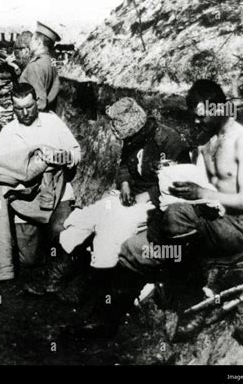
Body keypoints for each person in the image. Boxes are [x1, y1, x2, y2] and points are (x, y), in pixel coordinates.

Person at [69, 80, 243, 339]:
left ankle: (192, 299)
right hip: (200, 220)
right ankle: (105, 321)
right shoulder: (205, 141)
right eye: (194, 118)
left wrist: (201, 193)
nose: (196, 123)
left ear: (218, 108)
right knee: (131, 248)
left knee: (175, 216)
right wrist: (170, 172)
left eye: (201, 117)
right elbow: (196, 180)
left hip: (234, 227)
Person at [27, 97, 189, 299]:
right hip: (129, 198)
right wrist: (125, 184)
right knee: (84, 218)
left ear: (138, 128)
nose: (126, 142)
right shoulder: (134, 137)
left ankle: (94, 288)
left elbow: (179, 183)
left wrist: (147, 196)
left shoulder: (170, 142)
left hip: (156, 204)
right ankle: (55, 277)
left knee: (111, 230)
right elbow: (124, 166)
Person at [0, 83, 81, 282]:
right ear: (13, 108)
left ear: (37, 102)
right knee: (30, 259)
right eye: (19, 109)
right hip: (27, 200)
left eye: (29, 107)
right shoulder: (9, 131)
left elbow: (75, 152)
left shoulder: (52, 122)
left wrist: (59, 157)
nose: (25, 113)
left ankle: (60, 263)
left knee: (60, 232)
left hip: (56, 192)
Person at [19, 22, 61, 111]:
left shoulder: (35, 66)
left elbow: (39, 103)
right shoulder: (51, 61)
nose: (30, 43)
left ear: (38, 42)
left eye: (33, 39)